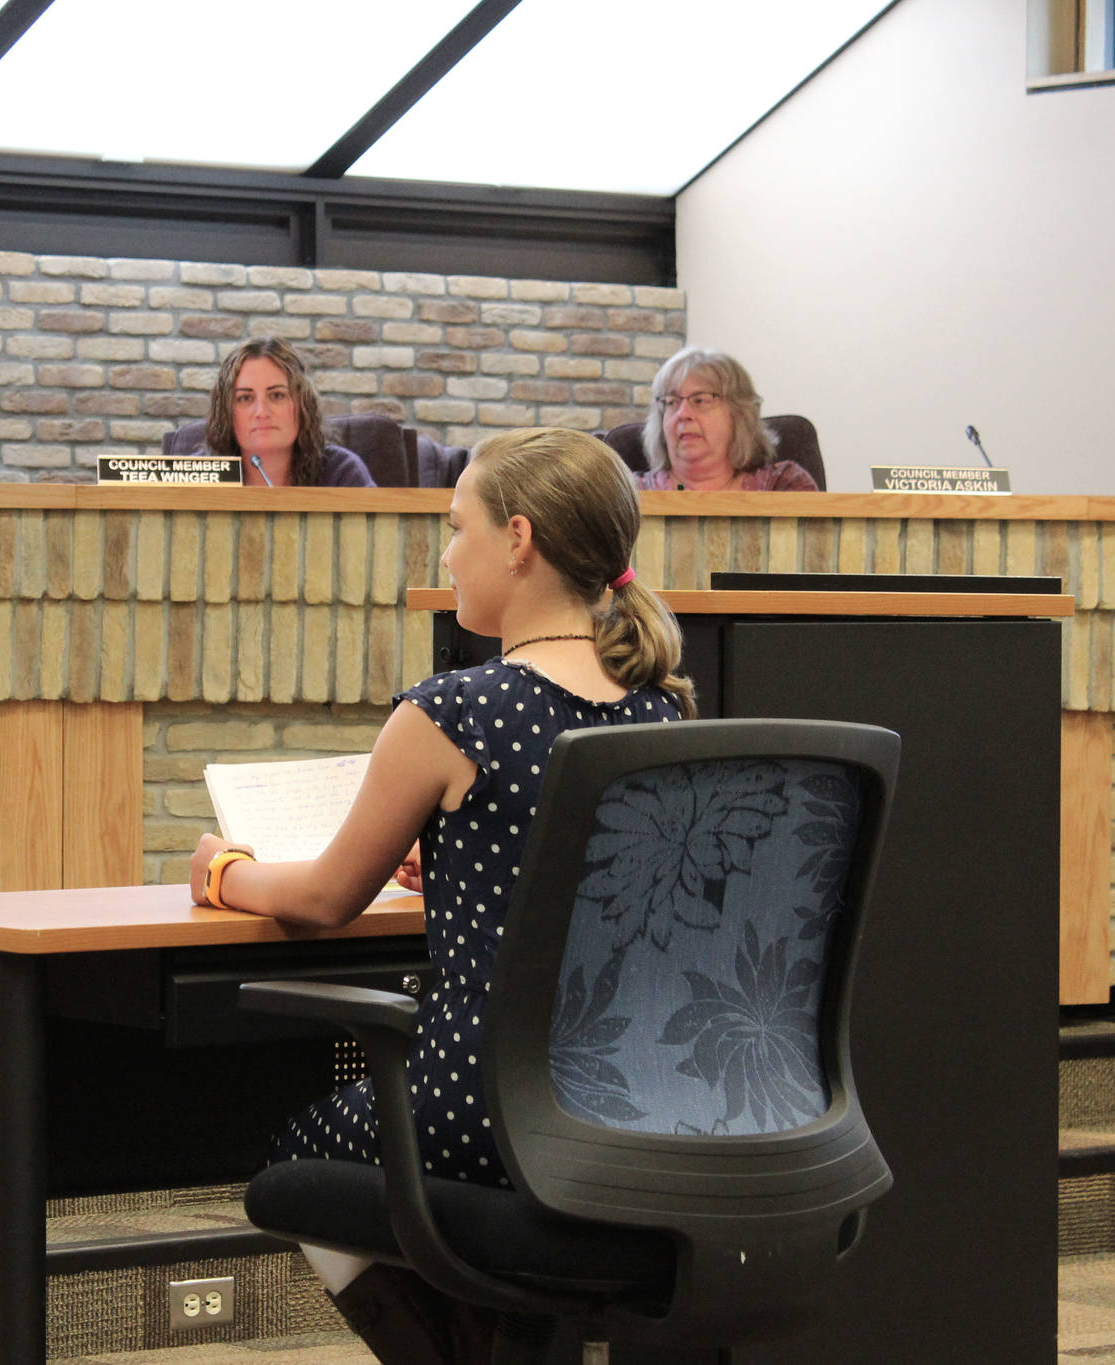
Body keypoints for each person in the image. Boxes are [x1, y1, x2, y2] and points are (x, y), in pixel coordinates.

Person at [189, 427, 695, 1363]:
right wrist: (457, 860)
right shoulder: (662, 708)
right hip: (637, 1099)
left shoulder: (453, 710)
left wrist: (225, 869)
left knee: (296, 1154)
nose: (446, 555)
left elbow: (328, 896)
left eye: (455, 528)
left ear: (518, 538)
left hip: (481, 1101)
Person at [635, 346, 816, 492]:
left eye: (700, 400)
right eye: (672, 402)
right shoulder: (630, 494)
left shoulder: (784, 486)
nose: (683, 414)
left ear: (738, 414)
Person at [204, 337, 375, 487]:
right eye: (245, 398)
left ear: (302, 405)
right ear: (226, 412)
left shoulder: (341, 473)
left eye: (277, 395)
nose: (262, 412)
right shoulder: (198, 474)